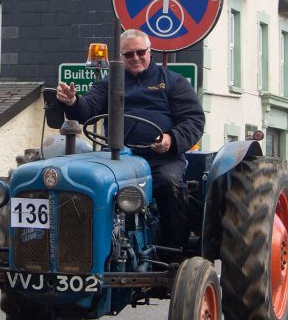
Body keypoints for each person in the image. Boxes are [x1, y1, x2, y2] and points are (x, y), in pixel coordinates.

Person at [56, 29, 205, 253]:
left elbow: (194, 120)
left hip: (160, 159)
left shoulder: (173, 82)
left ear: (150, 51)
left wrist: (171, 139)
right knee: (84, 182)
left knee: (169, 184)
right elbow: (88, 109)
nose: (135, 58)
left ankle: (173, 252)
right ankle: (81, 249)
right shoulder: (109, 84)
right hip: (118, 156)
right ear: (121, 57)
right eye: (128, 54)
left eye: (140, 52)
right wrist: (72, 102)